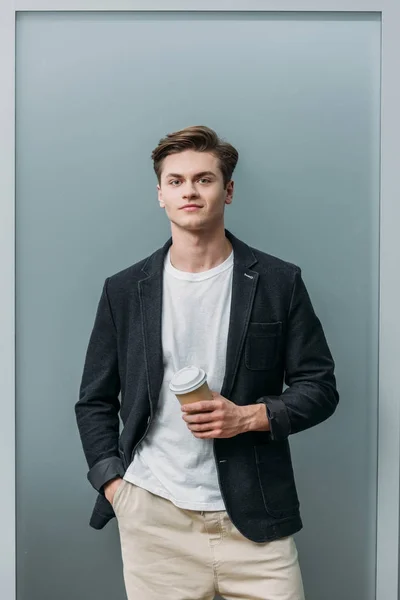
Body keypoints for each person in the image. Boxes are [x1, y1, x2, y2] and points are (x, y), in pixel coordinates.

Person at [75, 125, 339, 600]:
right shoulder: (124, 290)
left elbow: (319, 387)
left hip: (257, 517)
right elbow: (94, 399)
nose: (189, 191)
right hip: (155, 516)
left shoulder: (279, 281)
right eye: (175, 181)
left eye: (204, 179)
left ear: (228, 190)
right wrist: (114, 484)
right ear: (160, 195)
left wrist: (247, 417)